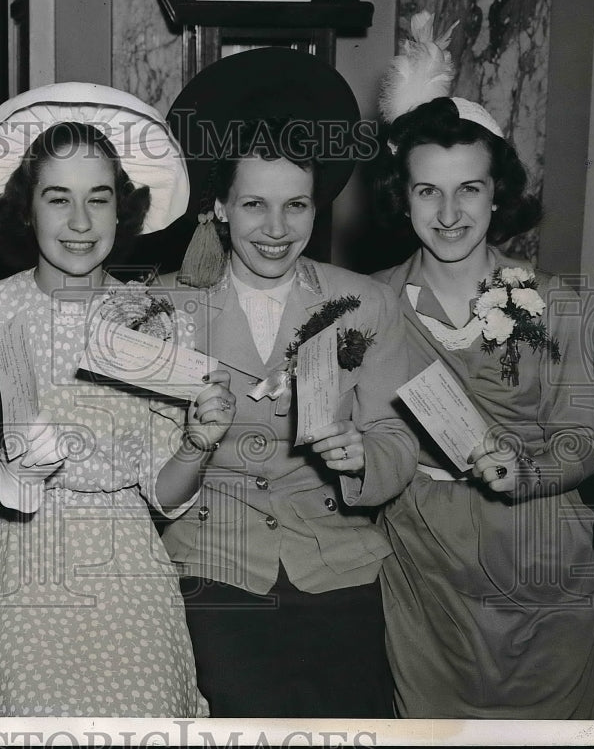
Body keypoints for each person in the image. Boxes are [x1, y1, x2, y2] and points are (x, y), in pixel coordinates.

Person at [0, 83, 235, 717]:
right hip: (21, 558)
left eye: (98, 200)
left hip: (128, 562)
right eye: (59, 200)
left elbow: (164, 494)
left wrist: (197, 442)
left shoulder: (157, 319)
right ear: (27, 210)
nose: (79, 223)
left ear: (120, 211)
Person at [160, 47, 417, 717]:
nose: (276, 230)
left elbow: (399, 438)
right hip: (214, 565)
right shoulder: (166, 310)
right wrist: (192, 439)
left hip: (339, 560)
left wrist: (365, 457)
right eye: (253, 205)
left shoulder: (366, 302)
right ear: (218, 204)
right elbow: (149, 472)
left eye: (296, 205)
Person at [371, 12, 594, 718]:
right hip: (425, 586)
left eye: (468, 188)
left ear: (497, 191)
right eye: (427, 190)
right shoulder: (368, 305)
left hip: (544, 583)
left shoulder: (556, 303)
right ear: (402, 197)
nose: (448, 213)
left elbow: (584, 441)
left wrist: (526, 468)